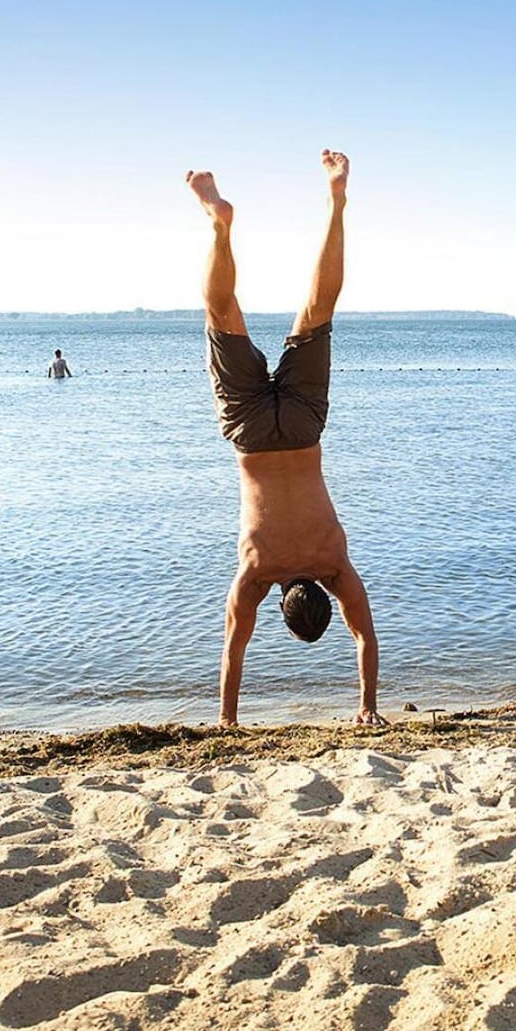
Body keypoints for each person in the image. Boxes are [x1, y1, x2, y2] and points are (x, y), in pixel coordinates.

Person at [189, 151, 383, 726]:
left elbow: (366, 640)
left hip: (302, 430)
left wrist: (370, 705)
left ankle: (337, 201)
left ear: (325, 596)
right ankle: (218, 223)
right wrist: (227, 720)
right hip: (249, 434)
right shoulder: (257, 571)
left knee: (318, 310)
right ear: (283, 603)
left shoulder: (336, 563)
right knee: (221, 311)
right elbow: (233, 648)